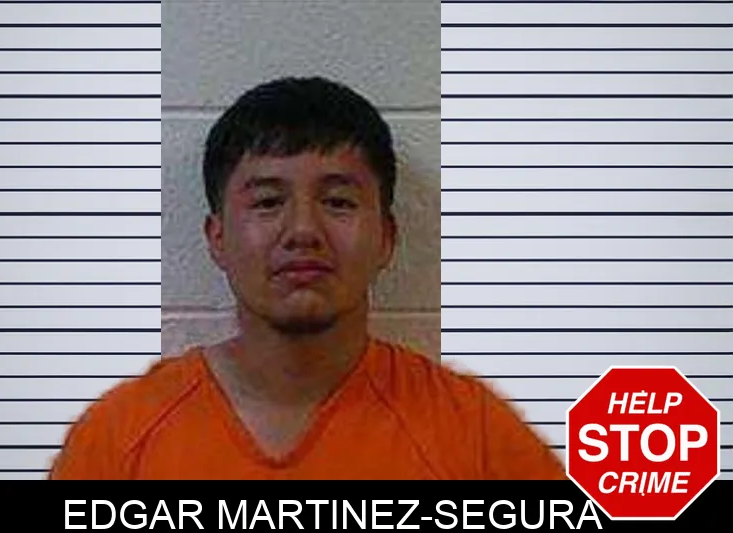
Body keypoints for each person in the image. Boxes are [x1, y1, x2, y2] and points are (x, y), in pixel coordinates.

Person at [49, 77, 565, 480]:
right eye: (268, 202)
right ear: (217, 237)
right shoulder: (118, 438)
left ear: (386, 238)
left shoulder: (475, 437)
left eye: (338, 202)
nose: (303, 231)